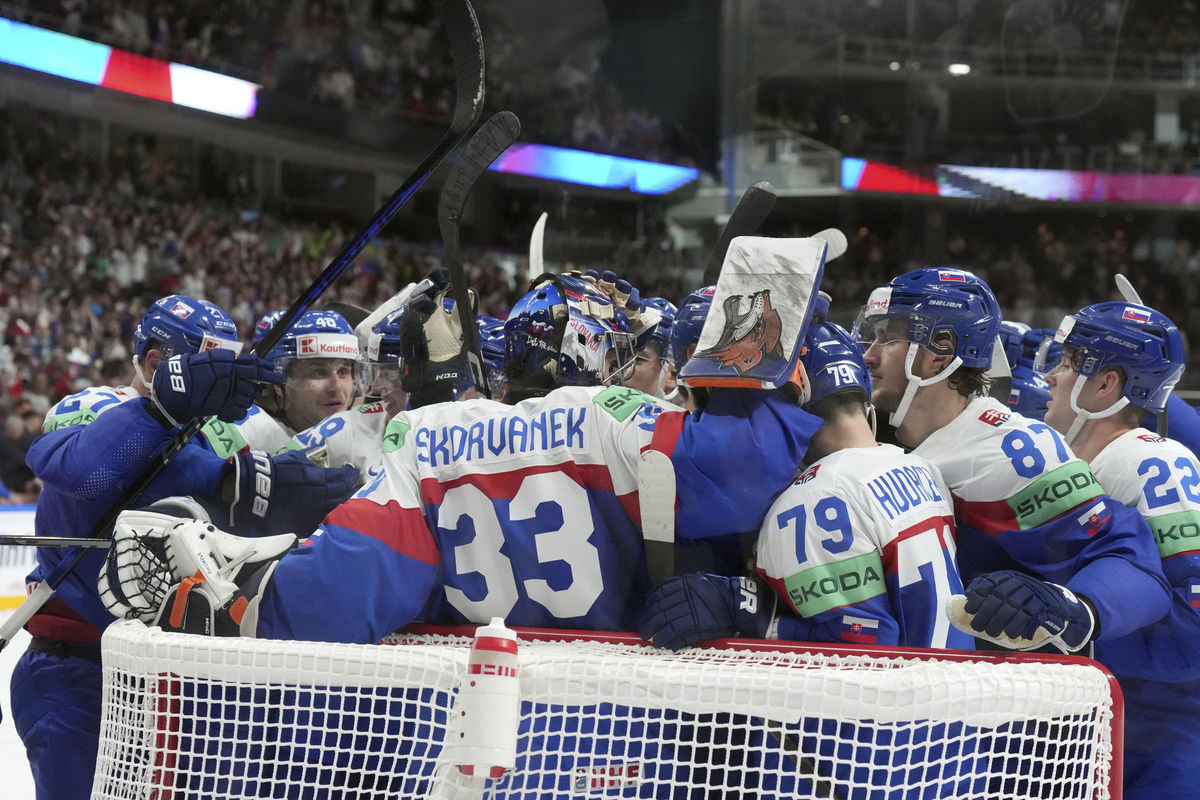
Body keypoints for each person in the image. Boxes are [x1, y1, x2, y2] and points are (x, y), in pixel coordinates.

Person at [101, 255, 824, 644]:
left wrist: (236, 599)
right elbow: (748, 465)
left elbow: (340, 597)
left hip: (476, 743)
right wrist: (770, 308)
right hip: (623, 737)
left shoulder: (428, 435)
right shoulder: (622, 422)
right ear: (598, 348)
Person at [9, 293, 358, 800]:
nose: (227, 382)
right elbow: (85, 474)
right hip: (78, 673)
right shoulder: (98, 405)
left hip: (177, 681)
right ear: (156, 363)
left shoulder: (213, 433)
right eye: (210, 367)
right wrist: (216, 472)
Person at [852, 268, 1169, 657]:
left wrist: (1073, 609)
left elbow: (1135, 566)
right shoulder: (861, 428)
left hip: (983, 698)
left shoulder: (1010, 451)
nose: (868, 354)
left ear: (939, 353)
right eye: (873, 336)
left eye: (890, 338)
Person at [639, 307, 973, 652]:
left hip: (889, 698)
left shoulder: (811, 501)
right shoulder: (920, 467)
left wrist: (748, 611)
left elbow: (866, 640)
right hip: (950, 682)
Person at [1039, 300, 1200, 799]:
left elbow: (1195, 628)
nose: (1049, 378)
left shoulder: (1155, 463)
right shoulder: (1082, 461)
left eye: (1066, 365)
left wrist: (1068, 630)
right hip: (1111, 727)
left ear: (1106, 385)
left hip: (1164, 743)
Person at [199, 308, 361, 457]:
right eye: (319, 373)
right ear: (279, 381)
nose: (336, 387)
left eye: (343, 372)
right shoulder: (244, 430)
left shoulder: (370, 428)